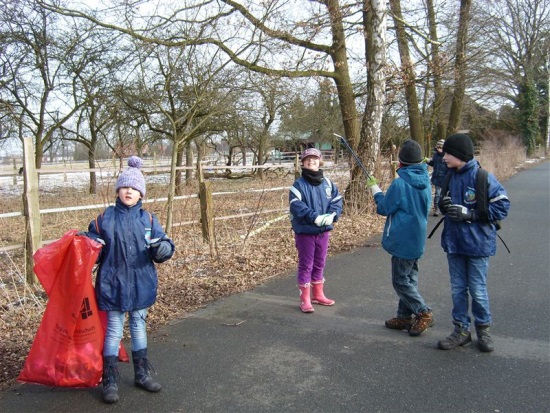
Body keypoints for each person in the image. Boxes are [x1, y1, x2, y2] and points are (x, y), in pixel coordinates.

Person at [80, 156, 175, 403]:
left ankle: (141, 374)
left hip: (141, 283)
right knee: (113, 332)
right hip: (113, 285)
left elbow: (163, 241)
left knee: (139, 328)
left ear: (141, 193)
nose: (129, 191)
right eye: (125, 187)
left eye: (134, 188)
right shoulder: (104, 220)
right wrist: (88, 245)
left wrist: (164, 249)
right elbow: (94, 250)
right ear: (118, 190)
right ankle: (109, 381)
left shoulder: (149, 220)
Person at [436, 133, 510, 352]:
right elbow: (442, 207)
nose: (444, 157)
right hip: (454, 243)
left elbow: (503, 207)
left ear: (460, 155)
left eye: (448, 153)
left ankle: (483, 330)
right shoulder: (449, 177)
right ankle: (461, 330)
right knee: (458, 289)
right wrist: (445, 205)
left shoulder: (483, 178)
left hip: (478, 245)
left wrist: (470, 214)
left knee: (477, 289)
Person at [366, 140, 434, 336]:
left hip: (403, 240)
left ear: (401, 162)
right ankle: (404, 316)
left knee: (400, 281)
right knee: (409, 279)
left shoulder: (400, 183)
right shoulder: (426, 181)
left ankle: (423, 312)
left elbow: (384, 208)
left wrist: (374, 189)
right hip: (417, 238)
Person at [289, 147, 343, 313]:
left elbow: (337, 200)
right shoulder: (298, 185)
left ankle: (318, 294)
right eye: (307, 159)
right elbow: (297, 206)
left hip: (323, 231)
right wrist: (314, 217)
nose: (311, 161)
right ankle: (305, 298)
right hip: (306, 232)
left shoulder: (328, 183)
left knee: (320, 262)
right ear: (303, 163)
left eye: (314, 158)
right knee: (306, 265)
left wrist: (332, 215)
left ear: (320, 161)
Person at [426, 139, 448, 216]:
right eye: (438, 147)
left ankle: (445, 208)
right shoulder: (435, 155)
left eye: (441, 148)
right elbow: (433, 164)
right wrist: (428, 161)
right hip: (437, 177)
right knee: (437, 194)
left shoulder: (447, 156)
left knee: (445, 194)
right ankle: (437, 209)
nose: (439, 149)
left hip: (445, 178)